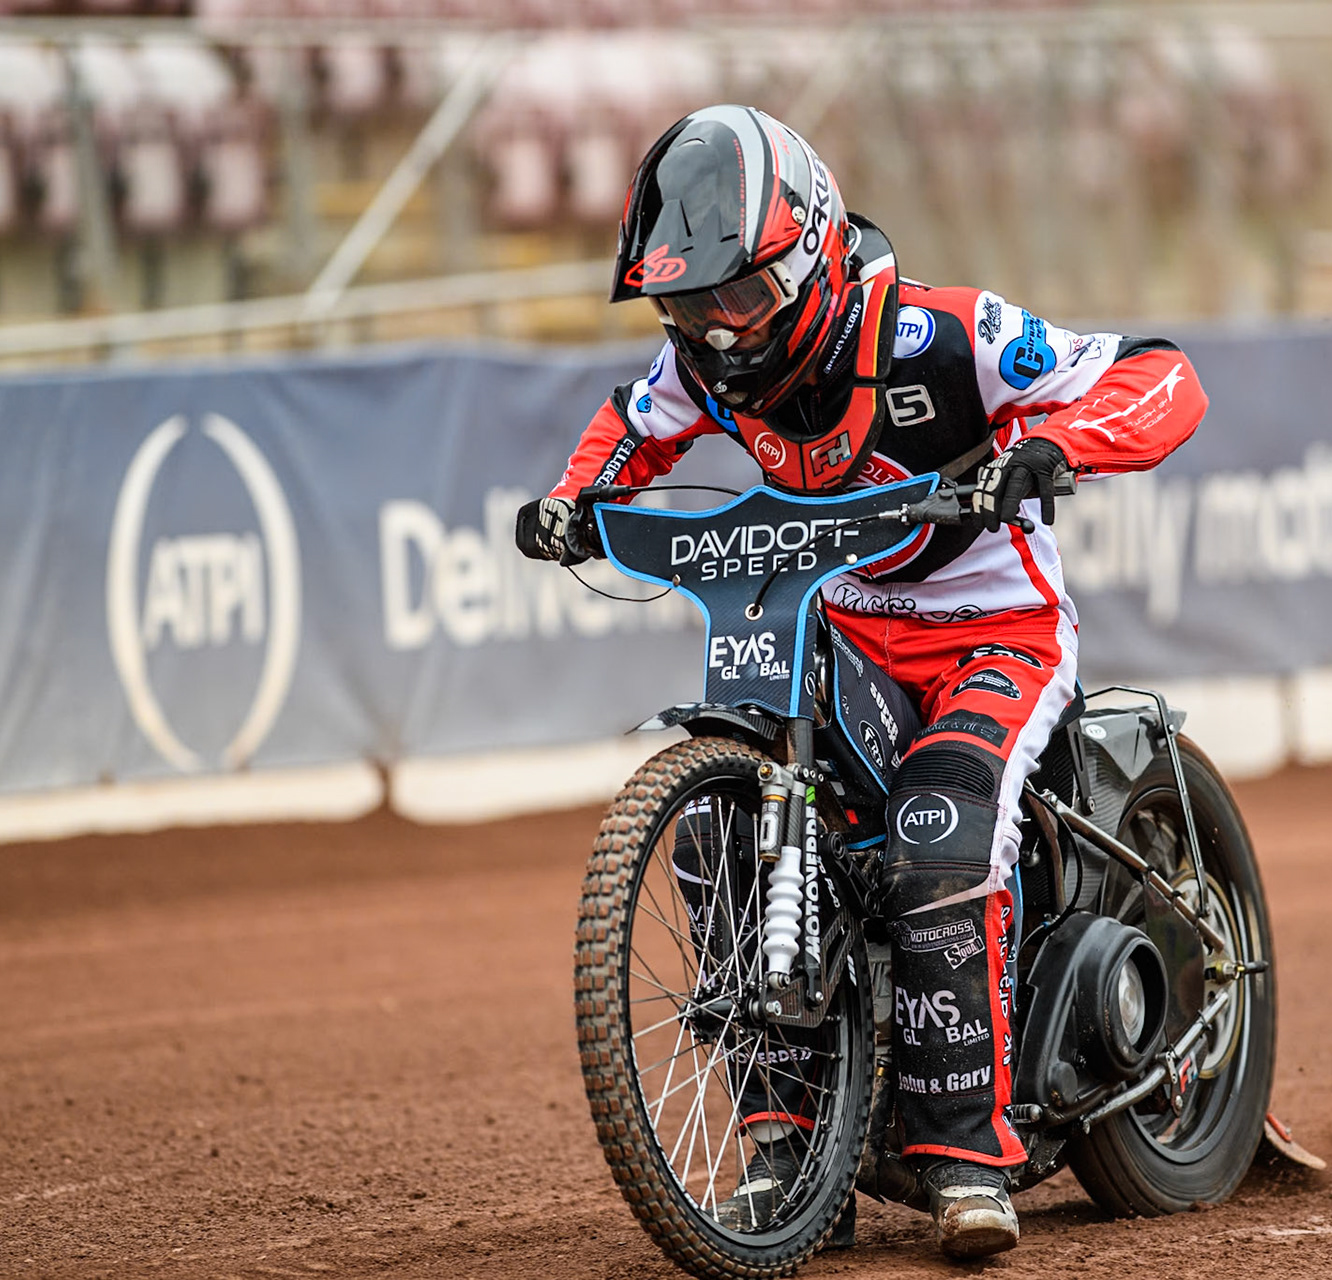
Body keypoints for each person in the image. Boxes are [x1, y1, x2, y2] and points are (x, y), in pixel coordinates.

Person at [515, 105, 1208, 1260]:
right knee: (723, 837)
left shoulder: (943, 334)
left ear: (814, 250)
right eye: (688, 306)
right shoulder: (704, 362)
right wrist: (569, 500)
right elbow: (631, 431)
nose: (719, 333)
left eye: (738, 297)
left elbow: (1157, 374)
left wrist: (1057, 445)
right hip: (844, 627)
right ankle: (796, 1156)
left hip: (998, 631)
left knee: (939, 826)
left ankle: (967, 1159)